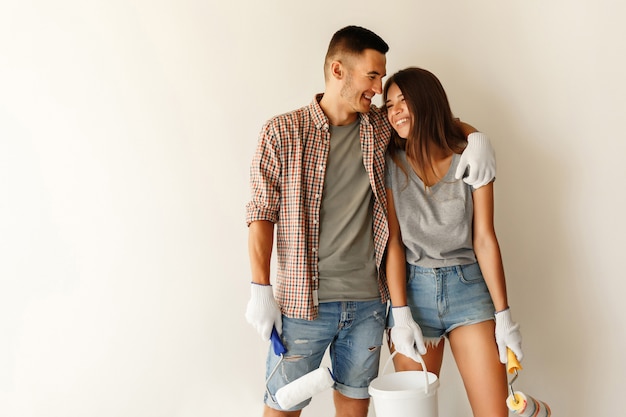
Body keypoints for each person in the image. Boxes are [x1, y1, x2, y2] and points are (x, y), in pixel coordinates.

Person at [245, 26, 496, 417]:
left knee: (355, 411)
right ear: (338, 70)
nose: (379, 89)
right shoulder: (282, 132)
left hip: (368, 307)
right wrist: (260, 289)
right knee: (281, 407)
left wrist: (476, 136)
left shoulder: (378, 126)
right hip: (302, 304)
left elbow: (432, 120)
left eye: (382, 77)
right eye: (372, 75)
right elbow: (261, 213)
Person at [383, 67, 523, 417]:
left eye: (404, 101)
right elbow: (394, 243)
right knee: (411, 413)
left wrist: (504, 316)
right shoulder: (389, 162)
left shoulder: (471, 159)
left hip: (468, 291)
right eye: (389, 105)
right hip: (412, 293)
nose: (395, 110)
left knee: (495, 413)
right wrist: (400, 314)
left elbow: (485, 239)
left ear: (427, 103)